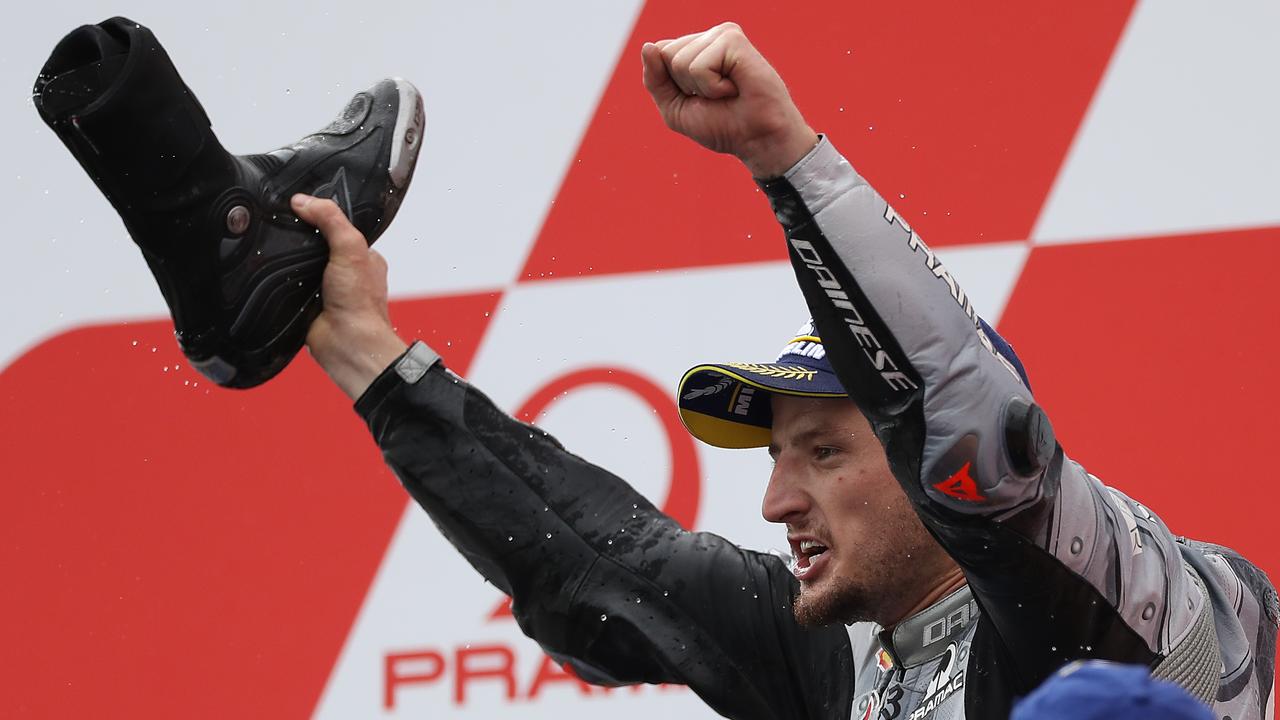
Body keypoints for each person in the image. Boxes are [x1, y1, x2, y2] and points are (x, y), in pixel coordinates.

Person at [39, 18, 1277, 720]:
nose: (774, 501)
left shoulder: (1104, 611)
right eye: (776, 458)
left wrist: (789, 158)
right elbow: (607, 568)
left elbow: (964, 427)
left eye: (825, 452)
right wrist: (347, 335)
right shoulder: (852, 652)